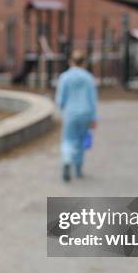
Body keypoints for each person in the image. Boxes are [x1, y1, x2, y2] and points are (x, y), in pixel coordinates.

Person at [55, 50, 98, 182]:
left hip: (70, 113)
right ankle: (78, 169)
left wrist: (61, 108)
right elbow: (93, 99)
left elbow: (60, 99)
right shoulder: (89, 78)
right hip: (85, 113)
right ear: (83, 63)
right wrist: (94, 117)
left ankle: (67, 160)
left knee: (68, 139)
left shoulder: (64, 77)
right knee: (81, 141)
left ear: (70, 62)